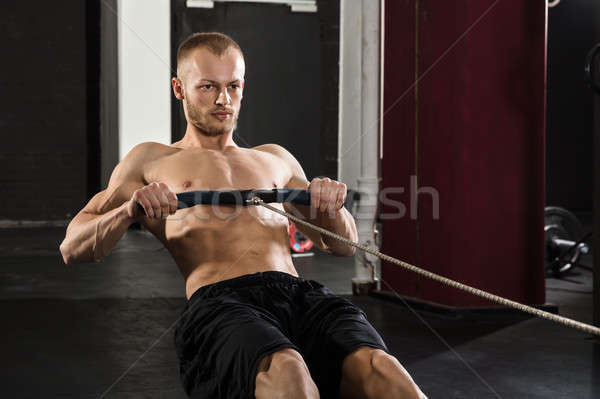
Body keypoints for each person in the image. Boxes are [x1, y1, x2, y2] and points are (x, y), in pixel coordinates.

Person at [60, 32, 426, 399]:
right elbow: (73, 247)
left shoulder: (274, 158)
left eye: (233, 86)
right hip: (222, 303)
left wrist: (332, 207)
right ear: (179, 87)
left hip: (302, 296)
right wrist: (129, 209)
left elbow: (340, 245)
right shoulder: (151, 160)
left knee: (384, 371)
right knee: (288, 373)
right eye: (207, 87)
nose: (223, 99)